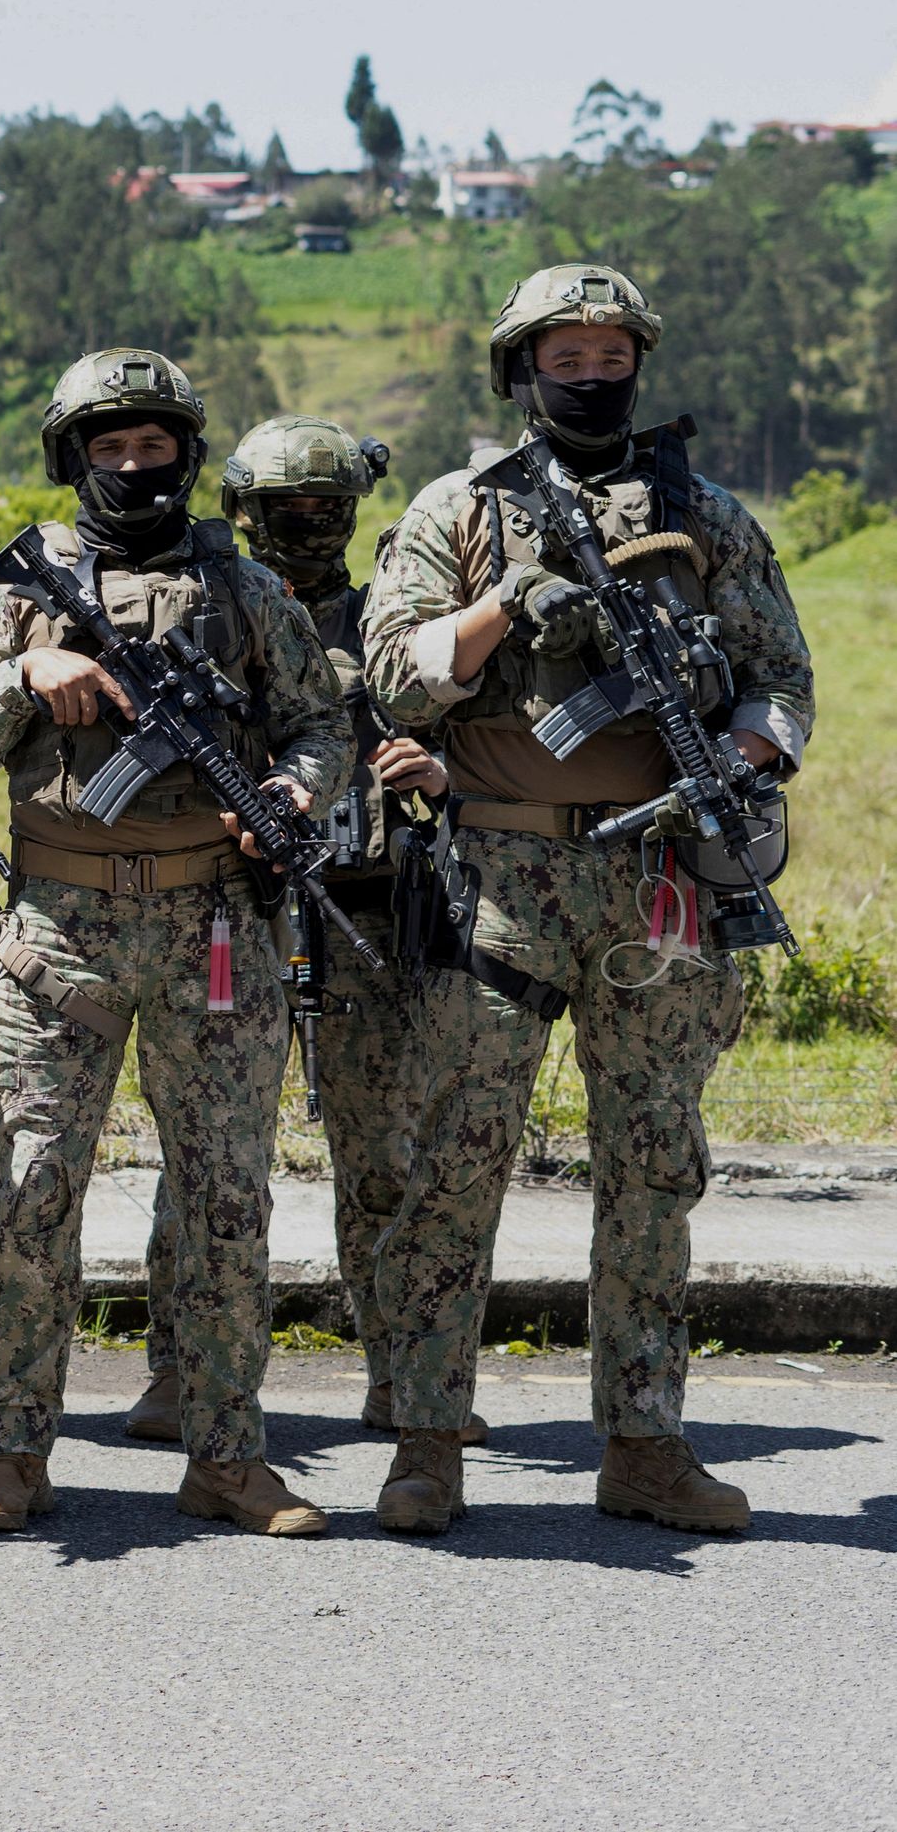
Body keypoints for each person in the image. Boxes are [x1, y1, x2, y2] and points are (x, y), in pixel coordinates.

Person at [362, 264, 811, 1537]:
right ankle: (426, 1440)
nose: (592, 373)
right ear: (519, 370)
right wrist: (507, 604)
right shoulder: (457, 509)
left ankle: (644, 1443)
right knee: (453, 1163)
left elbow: (782, 678)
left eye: (612, 354)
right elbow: (394, 680)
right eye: (565, 355)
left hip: (659, 878)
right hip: (495, 879)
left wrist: (744, 752)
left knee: (653, 1169)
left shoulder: (704, 514)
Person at [0, 349, 348, 1539]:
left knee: (223, 1197)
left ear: (186, 456)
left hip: (213, 926)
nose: (130, 466)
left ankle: (225, 1454)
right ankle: (11, 1452)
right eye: (106, 447)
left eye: (152, 446)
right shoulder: (14, 593)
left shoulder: (245, 591)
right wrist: (22, 675)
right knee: (31, 1189)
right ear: (72, 458)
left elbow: (320, 726)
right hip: (58, 933)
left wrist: (293, 796)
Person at [129, 417, 470, 1450]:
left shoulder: (386, 622)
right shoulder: (210, 613)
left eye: (326, 510)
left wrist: (432, 770)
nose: (308, 528)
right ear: (240, 511)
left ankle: (395, 1376)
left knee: (385, 1160)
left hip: (368, 908)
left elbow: (473, 743)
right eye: (284, 513)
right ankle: (174, 1370)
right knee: (207, 1159)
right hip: (233, 912)